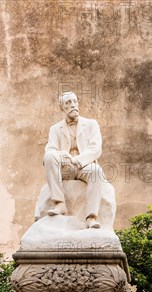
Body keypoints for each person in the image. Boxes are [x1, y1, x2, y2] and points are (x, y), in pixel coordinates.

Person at [43, 91, 108, 229]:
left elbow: (96, 149)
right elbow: (50, 150)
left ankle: (91, 218)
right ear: (62, 108)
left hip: (84, 166)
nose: (73, 105)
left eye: (74, 101)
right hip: (65, 168)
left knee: (97, 171)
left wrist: (77, 160)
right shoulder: (55, 129)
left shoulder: (91, 124)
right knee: (49, 156)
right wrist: (62, 155)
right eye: (68, 103)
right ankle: (60, 203)